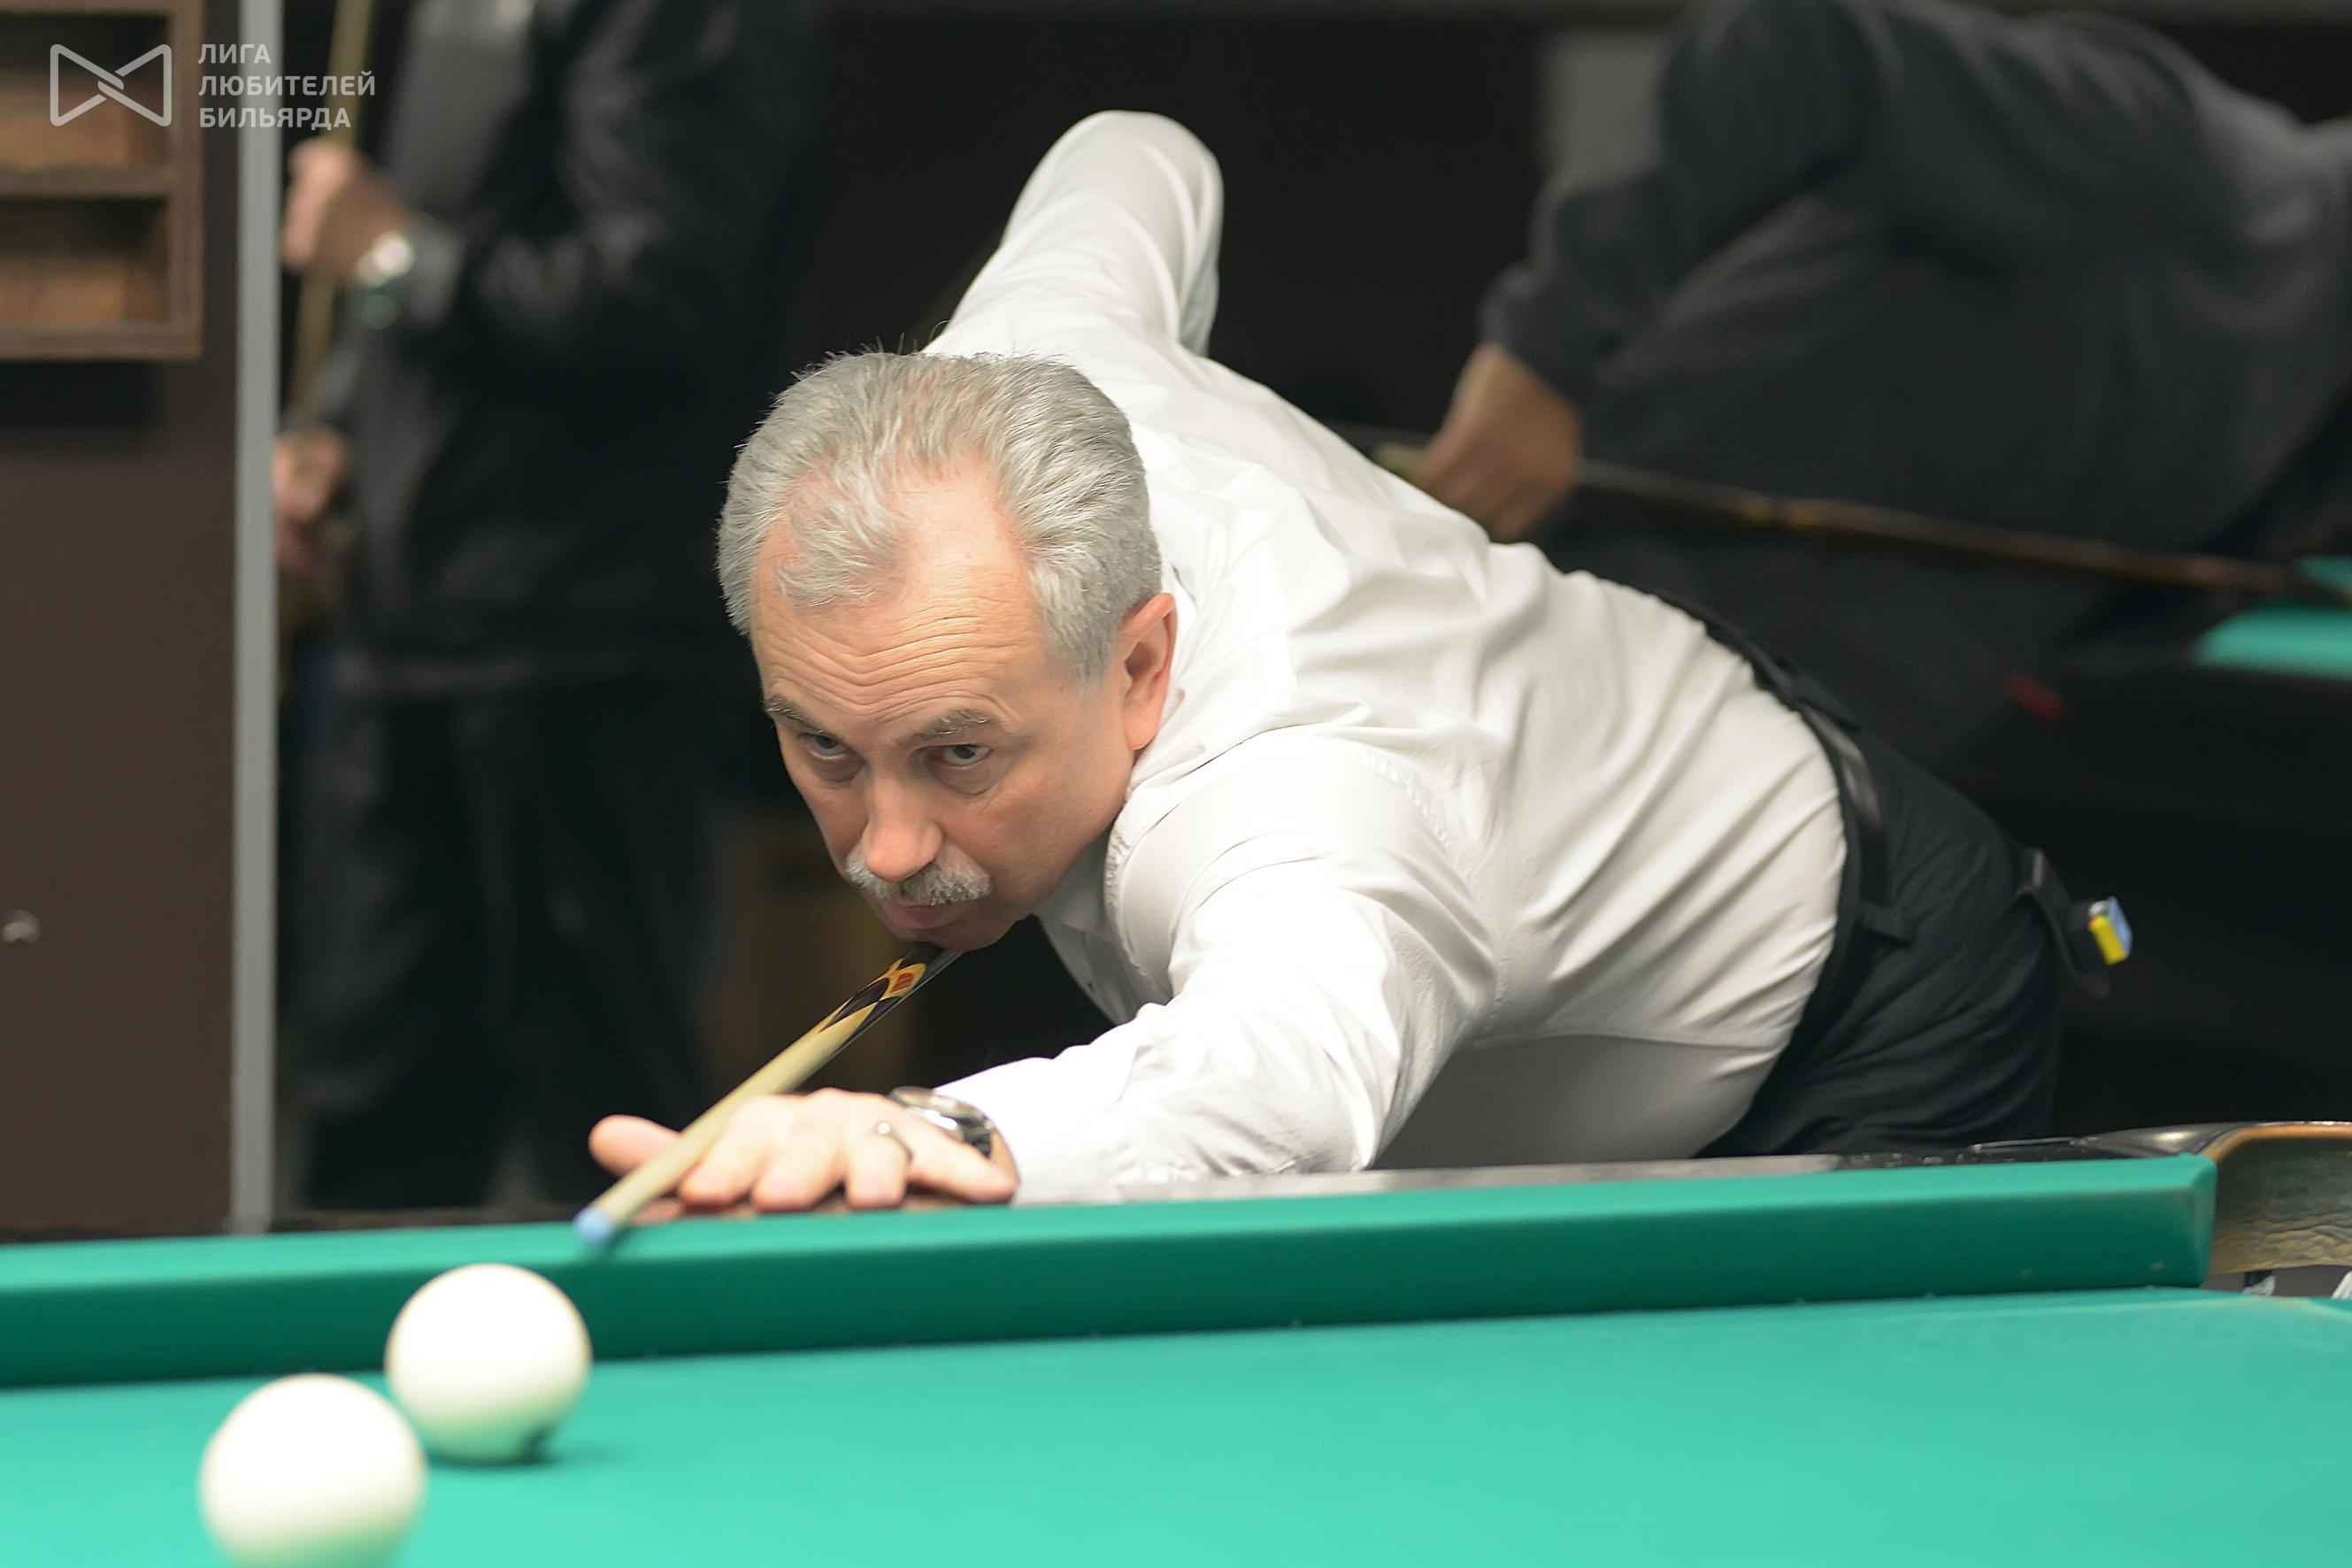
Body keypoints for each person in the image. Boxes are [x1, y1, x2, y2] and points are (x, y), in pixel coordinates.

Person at [588, 111, 2110, 1213]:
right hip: (1582, 887)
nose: (885, 849)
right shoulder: (1032, 356)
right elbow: (1135, 151)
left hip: (1866, 1007)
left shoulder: (1304, 784)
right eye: (825, 748)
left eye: (958, 753)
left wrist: (942, 1135)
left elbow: (1276, 1082)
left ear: (1141, 664)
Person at [1417, 0, 2352, 763]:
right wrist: (1545, 352)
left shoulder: (2312, 404)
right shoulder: (2193, 174)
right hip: (1594, 622)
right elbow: (1797, 44)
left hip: (1754, 760)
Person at [275, 0, 817, 1206]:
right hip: (408, 636)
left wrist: (395, 261)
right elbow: (433, 240)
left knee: (603, 1102)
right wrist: (346, 433)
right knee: (369, 1103)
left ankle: (652, 1341)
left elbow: (658, 293)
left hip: (588, 645)